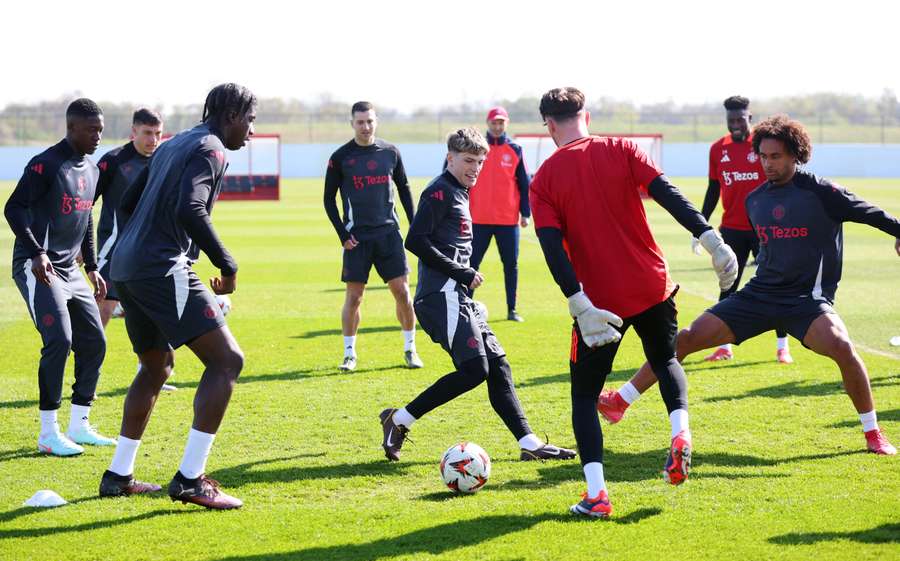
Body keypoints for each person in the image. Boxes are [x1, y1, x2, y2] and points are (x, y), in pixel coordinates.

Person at [600, 115, 899, 456]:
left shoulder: (823, 192)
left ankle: (873, 433)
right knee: (683, 339)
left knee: (843, 348)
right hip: (759, 296)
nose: (768, 164)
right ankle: (619, 401)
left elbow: (872, 214)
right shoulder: (755, 200)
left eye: (777, 157)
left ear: (796, 155)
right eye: (764, 156)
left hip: (806, 301)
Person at [529, 88, 738, 518]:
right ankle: (680, 433)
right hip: (651, 286)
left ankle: (597, 496)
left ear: (549, 125)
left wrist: (577, 303)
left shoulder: (545, 177)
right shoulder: (622, 148)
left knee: (585, 397)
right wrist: (711, 239)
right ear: (586, 115)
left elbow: (552, 248)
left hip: (599, 301)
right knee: (666, 361)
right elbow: (670, 195)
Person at [97, 83, 257, 509]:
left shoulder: (172, 145)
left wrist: (140, 243)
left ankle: (118, 475)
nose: (252, 130)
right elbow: (191, 207)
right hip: (158, 265)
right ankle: (190, 479)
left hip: (127, 267)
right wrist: (227, 264)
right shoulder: (212, 149)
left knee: (156, 365)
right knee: (227, 361)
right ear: (230, 116)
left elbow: (127, 201)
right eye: (250, 119)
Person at [378, 127, 576, 467]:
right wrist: (462, 273)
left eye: (480, 162)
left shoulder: (459, 192)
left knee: (499, 366)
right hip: (440, 297)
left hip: (459, 297)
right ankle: (399, 420)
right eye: (469, 160)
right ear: (450, 158)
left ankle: (529, 442)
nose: (475, 168)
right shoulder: (439, 192)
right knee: (474, 370)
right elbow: (416, 241)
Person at [4, 98, 116, 456]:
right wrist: (37, 251)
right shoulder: (46, 165)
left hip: (71, 270)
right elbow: (13, 208)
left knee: (95, 342)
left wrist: (94, 266)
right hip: (38, 266)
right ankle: (48, 433)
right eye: (90, 129)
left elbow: (85, 220)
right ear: (71, 128)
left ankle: (79, 425)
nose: (98, 135)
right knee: (59, 340)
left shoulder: (94, 170)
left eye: (100, 128)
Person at [324, 101, 422, 371]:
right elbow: (328, 200)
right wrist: (342, 233)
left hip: (389, 235)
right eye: (360, 122)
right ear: (352, 123)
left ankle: (410, 349)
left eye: (369, 121)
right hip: (357, 239)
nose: (365, 127)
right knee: (354, 298)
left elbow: (404, 188)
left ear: (376, 122)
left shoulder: (390, 152)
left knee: (402, 292)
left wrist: (414, 226)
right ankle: (349, 354)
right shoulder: (341, 157)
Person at [693, 95, 792, 363]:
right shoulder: (717, 149)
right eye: (731, 120)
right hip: (732, 230)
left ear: (750, 117)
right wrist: (698, 227)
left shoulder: (763, 146)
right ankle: (724, 346)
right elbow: (713, 188)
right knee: (728, 286)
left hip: (766, 229)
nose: (735, 124)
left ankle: (783, 346)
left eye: (740, 119)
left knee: (777, 284)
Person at [94, 109, 177, 392]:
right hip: (113, 248)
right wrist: (79, 244)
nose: (153, 139)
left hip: (150, 251)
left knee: (152, 310)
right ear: (134, 132)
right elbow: (86, 201)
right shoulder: (115, 161)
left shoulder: (165, 160)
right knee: (102, 308)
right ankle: (87, 373)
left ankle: (149, 371)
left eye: (158, 133)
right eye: (147, 133)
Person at [466, 106, 531, 322]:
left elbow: (524, 184)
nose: (497, 126)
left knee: (511, 265)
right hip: (478, 219)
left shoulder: (515, 149)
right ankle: (465, 306)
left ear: (506, 124)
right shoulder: (475, 148)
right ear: (488, 123)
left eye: (501, 122)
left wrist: (525, 213)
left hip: (507, 220)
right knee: (471, 265)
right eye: (494, 122)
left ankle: (512, 309)